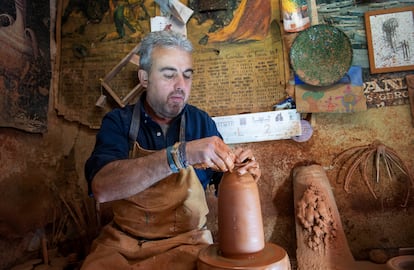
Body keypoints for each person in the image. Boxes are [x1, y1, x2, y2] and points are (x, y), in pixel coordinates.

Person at [81, 30, 261, 270]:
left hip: (188, 243)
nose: (180, 86)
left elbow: (226, 182)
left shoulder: (201, 122)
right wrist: (180, 155)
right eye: (169, 75)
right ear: (144, 78)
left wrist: (242, 170)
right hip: (124, 245)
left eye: (187, 76)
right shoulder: (118, 122)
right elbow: (102, 188)